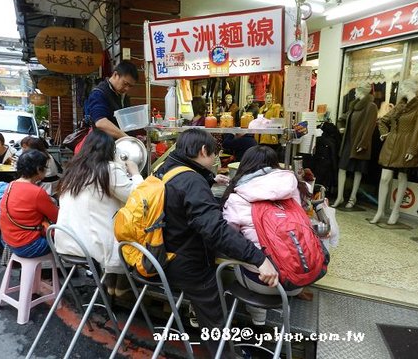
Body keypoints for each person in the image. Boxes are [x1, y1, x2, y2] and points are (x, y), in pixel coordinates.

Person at [156, 128, 277, 357]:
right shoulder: (192, 182)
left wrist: (210, 178)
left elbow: (182, 189)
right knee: (216, 315)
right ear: (203, 151)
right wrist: (258, 258)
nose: (214, 160)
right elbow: (215, 229)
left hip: (161, 254)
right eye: (214, 155)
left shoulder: (165, 168)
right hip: (187, 267)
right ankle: (224, 354)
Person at [221, 145, 306, 325]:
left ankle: (258, 319)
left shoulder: (238, 197)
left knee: (242, 253)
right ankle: (284, 314)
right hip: (300, 278)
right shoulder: (293, 188)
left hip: (262, 283)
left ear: (244, 166)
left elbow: (229, 238)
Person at [55, 129, 143, 296]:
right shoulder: (108, 170)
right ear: (110, 150)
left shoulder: (72, 170)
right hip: (91, 247)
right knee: (134, 233)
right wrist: (135, 173)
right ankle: (122, 289)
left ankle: (112, 286)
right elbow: (137, 196)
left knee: (112, 228)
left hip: (67, 242)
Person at [370, 79, 418, 225]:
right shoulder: (400, 105)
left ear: (410, 87)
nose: (400, 89)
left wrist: (412, 149)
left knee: (402, 177)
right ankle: (380, 211)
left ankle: (395, 211)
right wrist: (384, 134)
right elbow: (383, 120)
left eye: (403, 86)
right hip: (391, 145)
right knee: (385, 178)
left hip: (406, 145)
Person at [0, 150, 58, 258]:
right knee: (69, 240)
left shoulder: (11, 185)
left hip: (8, 241)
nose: (46, 170)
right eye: (45, 167)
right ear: (38, 169)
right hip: (30, 246)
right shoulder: (37, 192)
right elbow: (58, 218)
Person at [332, 83, 377, 208]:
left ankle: (353, 198)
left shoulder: (371, 106)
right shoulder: (354, 106)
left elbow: (369, 127)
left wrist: (363, 143)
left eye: (356, 92)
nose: (355, 94)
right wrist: (342, 129)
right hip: (348, 142)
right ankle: (340, 196)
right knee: (342, 168)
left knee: (358, 171)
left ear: (362, 92)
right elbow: (342, 118)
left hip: (360, 143)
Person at [84, 61, 139, 139]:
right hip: (102, 146)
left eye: (130, 86)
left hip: (119, 145)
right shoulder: (99, 93)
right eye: (125, 83)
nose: (127, 88)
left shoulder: (123, 96)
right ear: (115, 75)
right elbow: (100, 122)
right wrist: (127, 138)